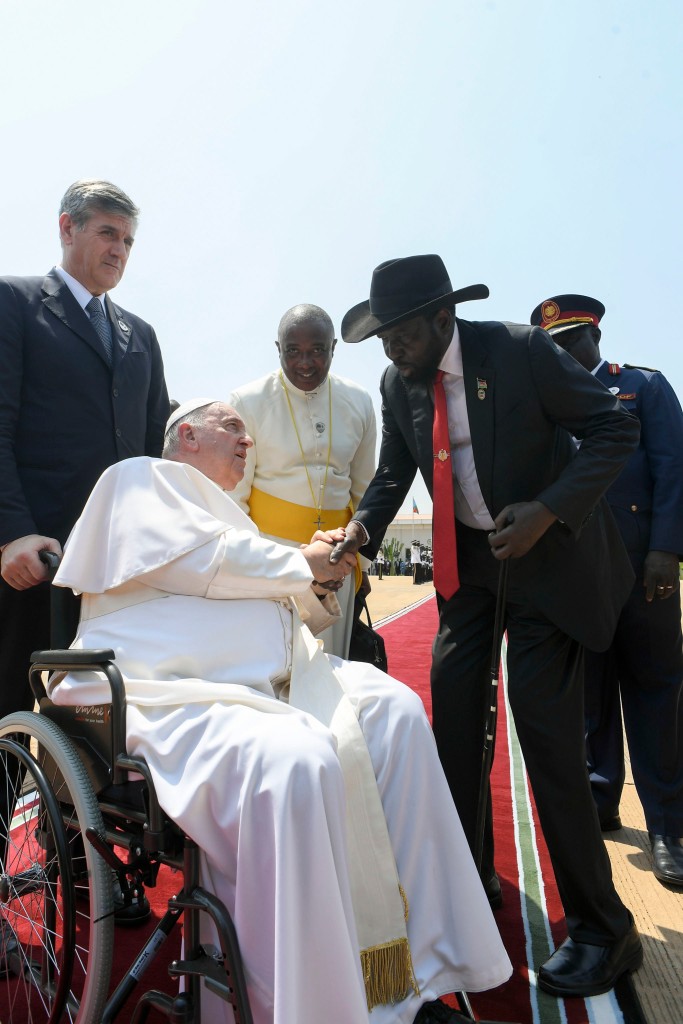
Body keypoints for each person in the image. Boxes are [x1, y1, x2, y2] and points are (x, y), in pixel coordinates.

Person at [48, 398, 511, 1024]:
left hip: (272, 678)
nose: (248, 442)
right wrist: (301, 562)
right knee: (295, 761)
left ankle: (415, 975)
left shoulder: (230, 517)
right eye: (232, 428)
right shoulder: (140, 479)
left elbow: (274, 600)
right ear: (185, 435)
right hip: (174, 688)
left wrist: (314, 578)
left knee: (397, 714)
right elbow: (206, 565)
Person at [331, 255, 643, 998]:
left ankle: (605, 929)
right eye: (380, 338)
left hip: (548, 567)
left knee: (543, 735)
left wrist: (547, 512)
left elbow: (611, 430)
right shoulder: (396, 382)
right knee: (450, 719)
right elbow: (392, 475)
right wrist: (360, 532)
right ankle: (468, 882)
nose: (389, 350)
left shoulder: (518, 351)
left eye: (399, 333)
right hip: (468, 576)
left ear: (442, 319)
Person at [0, 178, 169, 922]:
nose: (118, 252)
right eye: (106, 234)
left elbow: (157, 451)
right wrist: (8, 531)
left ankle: (89, 878)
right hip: (30, 562)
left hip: (116, 575)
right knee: (9, 724)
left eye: (128, 241)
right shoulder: (14, 303)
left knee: (99, 731)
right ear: (66, 228)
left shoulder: (140, 334)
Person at [530, 293, 683, 887]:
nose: (566, 354)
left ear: (594, 336)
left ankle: (669, 825)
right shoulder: (547, 408)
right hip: (580, 576)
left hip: (645, 574)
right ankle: (602, 799)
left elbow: (673, 469)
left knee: (656, 695)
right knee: (589, 697)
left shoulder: (643, 388)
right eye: (554, 347)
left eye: (572, 341)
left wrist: (666, 551)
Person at [228, 304, 376, 657]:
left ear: (333, 348)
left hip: (337, 562)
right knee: (272, 671)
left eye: (317, 351)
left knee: (331, 672)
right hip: (272, 559)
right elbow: (234, 497)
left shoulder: (359, 401)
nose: (305, 363)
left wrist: (359, 565)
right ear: (278, 349)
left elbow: (366, 490)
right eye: (293, 351)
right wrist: (249, 568)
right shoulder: (246, 401)